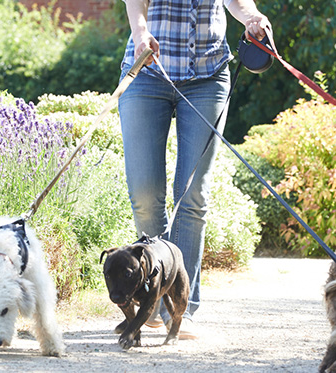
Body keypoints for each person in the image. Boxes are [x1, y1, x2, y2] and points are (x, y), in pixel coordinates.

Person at [117, 0, 272, 340]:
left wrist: (251, 18)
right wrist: (141, 32)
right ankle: (152, 300)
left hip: (208, 76)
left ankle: (179, 308)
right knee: (145, 193)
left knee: (192, 194)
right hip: (148, 69)